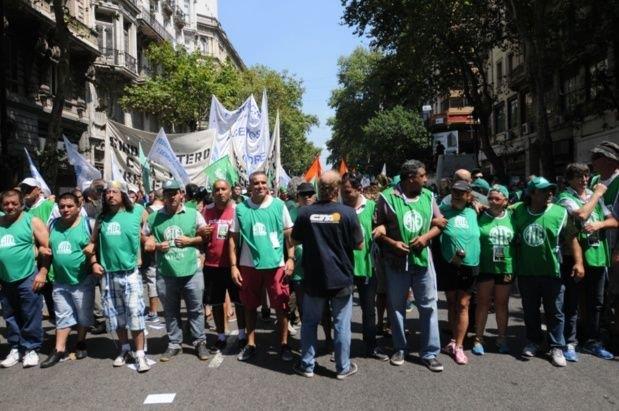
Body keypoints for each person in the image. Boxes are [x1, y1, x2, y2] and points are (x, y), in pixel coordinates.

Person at [292, 171, 363, 379]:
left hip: (314, 277)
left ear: (319, 189)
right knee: (342, 324)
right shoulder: (348, 213)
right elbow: (359, 244)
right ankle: (343, 368)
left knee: (310, 322)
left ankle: (307, 365)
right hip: (341, 277)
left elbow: (295, 240)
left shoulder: (305, 213)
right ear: (337, 189)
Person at [374, 159, 444, 372]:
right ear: (411, 178)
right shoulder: (387, 198)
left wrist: (425, 238)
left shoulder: (429, 196)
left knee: (429, 307)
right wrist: (392, 242)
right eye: (423, 176)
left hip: (423, 262)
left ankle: (430, 352)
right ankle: (400, 348)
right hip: (396, 263)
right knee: (396, 308)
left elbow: (440, 223)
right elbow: (378, 227)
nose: (426, 179)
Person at [512, 176, 584, 367]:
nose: (550, 193)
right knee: (530, 310)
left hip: (552, 271)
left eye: (551, 190)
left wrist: (579, 263)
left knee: (555, 311)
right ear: (532, 194)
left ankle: (556, 346)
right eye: (544, 191)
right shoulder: (518, 211)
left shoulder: (560, 212)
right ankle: (533, 341)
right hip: (527, 272)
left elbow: (572, 238)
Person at [229, 171, 295, 362]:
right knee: (249, 307)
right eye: (255, 183)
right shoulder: (240, 209)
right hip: (248, 266)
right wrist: (233, 266)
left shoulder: (279, 205)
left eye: (263, 182)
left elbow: (288, 234)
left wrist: (290, 258)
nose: (259, 186)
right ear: (249, 186)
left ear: (268, 184)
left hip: (276, 265)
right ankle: (251, 344)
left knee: (281, 306)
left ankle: (284, 344)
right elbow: (232, 240)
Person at [86, 180, 150, 372]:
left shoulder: (137, 211)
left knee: (135, 315)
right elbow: (93, 244)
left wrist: (150, 239)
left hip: (130, 273)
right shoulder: (102, 217)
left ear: (123, 194)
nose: (110, 195)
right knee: (117, 316)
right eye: (107, 193)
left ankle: (140, 355)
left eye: (114, 192)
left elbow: (151, 230)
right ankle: (124, 349)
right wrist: (94, 262)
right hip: (109, 275)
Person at [143, 180, 209, 362]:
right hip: (166, 272)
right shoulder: (154, 217)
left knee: (195, 309)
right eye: (167, 193)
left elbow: (205, 236)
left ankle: (199, 341)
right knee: (171, 310)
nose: (171, 196)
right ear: (163, 195)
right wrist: (153, 244)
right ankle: (174, 343)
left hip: (191, 270)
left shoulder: (194, 214)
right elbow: (145, 236)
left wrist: (191, 240)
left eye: (174, 193)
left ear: (181, 194)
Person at [556, 163, 615, 360]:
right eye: (579, 176)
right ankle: (569, 342)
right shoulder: (565, 197)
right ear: (570, 179)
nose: (584, 180)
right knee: (571, 302)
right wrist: (597, 195)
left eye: (586, 176)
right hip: (574, 258)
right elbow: (581, 215)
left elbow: (614, 220)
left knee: (595, 303)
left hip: (597, 257)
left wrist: (600, 223)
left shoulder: (592, 195)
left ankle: (592, 341)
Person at [41, 193, 97, 368]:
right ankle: (59, 349)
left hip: (83, 280)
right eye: (62, 206)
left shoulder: (89, 224)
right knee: (62, 315)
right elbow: (46, 250)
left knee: (83, 315)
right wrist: (43, 262)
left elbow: (99, 244)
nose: (65, 209)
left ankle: (80, 341)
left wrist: (93, 250)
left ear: (78, 207)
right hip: (60, 280)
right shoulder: (52, 225)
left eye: (69, 206)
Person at [341, 172, 388, 361]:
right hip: (343, 268)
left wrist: (382, 228)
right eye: (342, 191)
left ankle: (371, 346)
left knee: (369, 310)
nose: (344, 195)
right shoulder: (338, 209)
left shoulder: (372, 207)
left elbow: (384, 225)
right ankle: (342, 348)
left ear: (359, 189)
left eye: (348, 191)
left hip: (367, 267)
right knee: (343, 311)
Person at [0, 189, 50, 368]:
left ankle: (31, 349)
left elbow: (47, 249)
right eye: (6, 203)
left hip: (28, 276)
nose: (10, 206)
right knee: (10, 315)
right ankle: (15, 347)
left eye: (14, 203)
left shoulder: (32, 221)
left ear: (21, 203)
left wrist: (42, 273)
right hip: (5, 279)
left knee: (30, 314)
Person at [437, 181, 480, 365]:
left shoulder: (475, 212)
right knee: (452, 303)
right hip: (450, 264)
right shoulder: (442, 211)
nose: (456, 194)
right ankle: (453, 341)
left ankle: (460, 346)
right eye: (454, 191)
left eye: (461, 192)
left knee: (463, 304)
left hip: (471, 265)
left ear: (469, 196)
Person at [202, 179, 246, 353]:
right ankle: (220, 337)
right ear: (213, 192)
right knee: (216, 303)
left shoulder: (238, 210)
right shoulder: (206, 211)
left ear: (230, 191)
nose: (220, 192)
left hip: (235, 266)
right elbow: (200, 234)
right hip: (212, 266)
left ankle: (242, 336)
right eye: (217, 189)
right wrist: (201, 233)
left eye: (223, 189)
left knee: (240, 302)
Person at [473, 184, 514, 355]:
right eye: (490, 198)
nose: (493, 201)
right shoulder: (480, 214)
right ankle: (478, 339)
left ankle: (502, 338)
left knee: (501, 304)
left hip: (506, 267)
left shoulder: (513, 215)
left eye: (497, 198)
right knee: (482, 303)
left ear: (505, 201)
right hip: (485, 267)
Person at [589, 141, 619, 337]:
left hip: (615, 243)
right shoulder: (593, 181)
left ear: (609, 160)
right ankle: (597, 328)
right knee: (597, 290)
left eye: (596, 158)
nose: (592, 162)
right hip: (596, 244)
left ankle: (612, 331)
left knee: (615, 291)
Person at [141, 189, 164, 323]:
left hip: (151, 252)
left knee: (152, 281)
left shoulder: (147, 211)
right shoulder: (168, 211)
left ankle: (153, 312)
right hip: (168, 249)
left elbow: (143, 232)